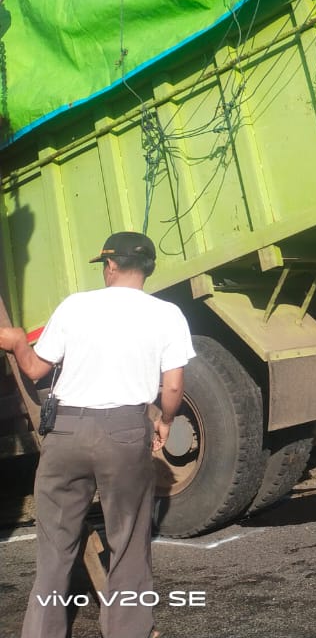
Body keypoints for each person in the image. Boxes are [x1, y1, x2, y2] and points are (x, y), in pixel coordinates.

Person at [0, 231, 195, 638]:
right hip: (125, 430)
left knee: (54, 547)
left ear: (109, 265)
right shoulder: (168, 314)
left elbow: (36, 369)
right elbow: (172, 387)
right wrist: (165, 421)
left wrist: (18, 342)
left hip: (66, 431)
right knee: (127, 541)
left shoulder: (76, 306)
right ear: (148, 269)